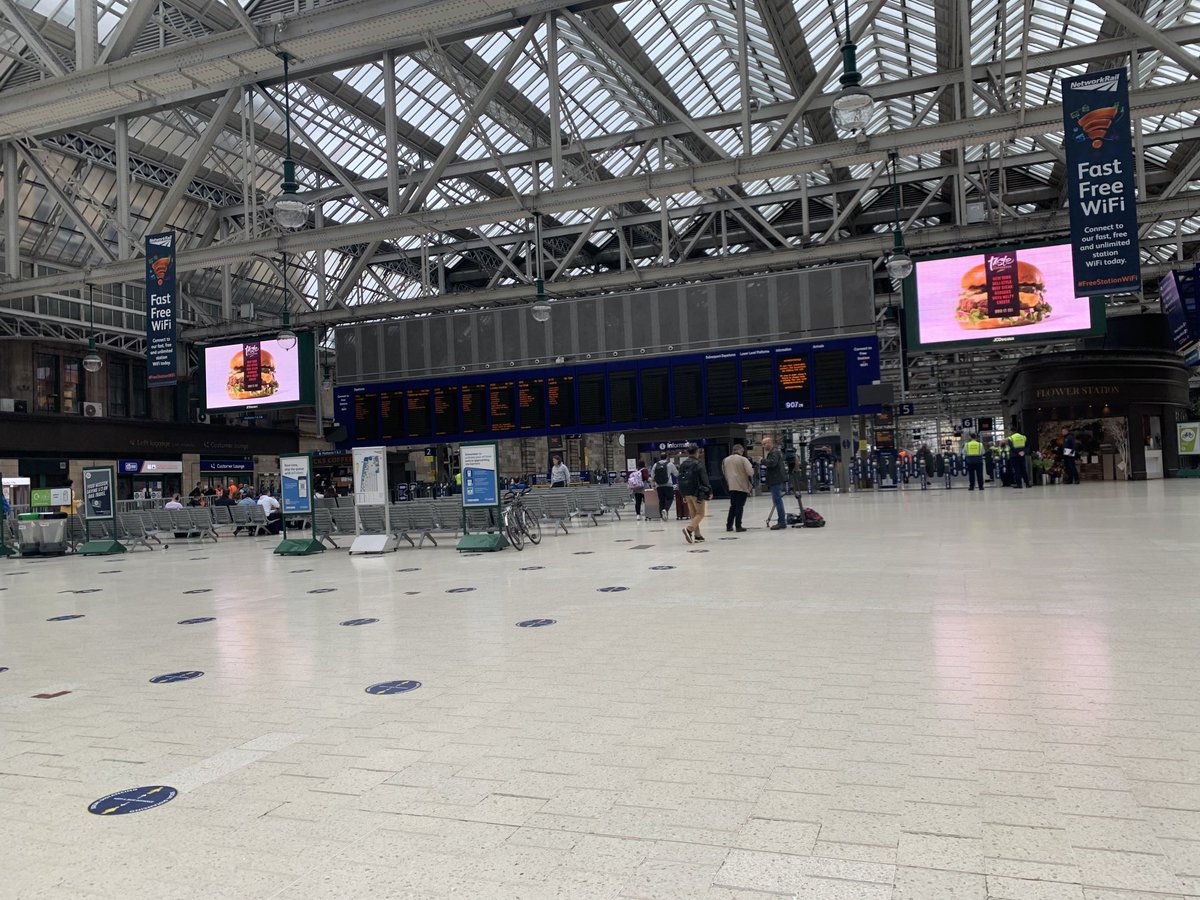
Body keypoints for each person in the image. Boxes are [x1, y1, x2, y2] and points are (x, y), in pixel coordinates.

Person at [677, 444, 711, 544]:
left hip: (687, 492)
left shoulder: (683, 464)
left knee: (693, 514)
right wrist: (709, 491)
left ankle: (698, 535)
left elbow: (680, 479)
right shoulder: (698, 464)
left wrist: (682, 494)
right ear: (697, 452)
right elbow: (704, 479)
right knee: (700, 513)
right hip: (697, 492)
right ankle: (689, 529)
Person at [721, 444, 754, 532]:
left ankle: (729, 525)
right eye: (742, 451)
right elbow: (750, 472)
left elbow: (724, 472)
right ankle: (738, 526)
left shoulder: (725, 460)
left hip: (731, 485)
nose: (743, 453)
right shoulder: (743, 459)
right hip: (742, 486)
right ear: (740, 450)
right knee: (740, 506)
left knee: (733, 506)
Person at [762, 436, 788, 530]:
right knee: (777, 501)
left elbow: (772, 463)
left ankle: (781, 522)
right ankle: (781, 521)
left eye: (764, 444)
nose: (763, 446)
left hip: (776, 480)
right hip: (775, 480)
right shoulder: (773, 452)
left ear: (770, 443)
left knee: (777, 501)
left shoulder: (774, 452)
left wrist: (762, 461)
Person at [650, 453, 678, 521]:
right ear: (667, 457)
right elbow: (676, 473)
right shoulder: (670, 464)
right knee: (670, 498)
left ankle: (662, 516)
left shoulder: (656, 464)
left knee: (661, 500)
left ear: (660, 457)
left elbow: (652, 476)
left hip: (658, 485)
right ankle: (665, 510)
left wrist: (654, 485)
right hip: (668, 484)